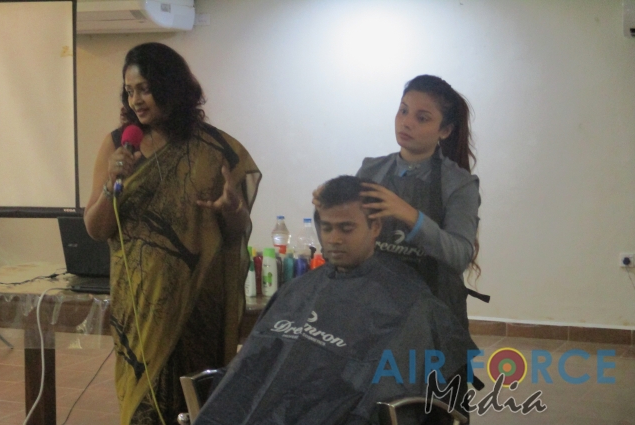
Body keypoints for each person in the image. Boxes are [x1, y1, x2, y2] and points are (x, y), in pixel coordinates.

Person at [193, 175, 476, 425]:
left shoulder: (411, 303)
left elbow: (388, 393)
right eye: (327, 228)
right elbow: (250, 369)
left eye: (346, 228)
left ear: (375, 227)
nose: (334, 239)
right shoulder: (298, 290)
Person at [83, 42, 261, 425]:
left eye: (145, 89)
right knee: (143, 409)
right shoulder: (117, 145)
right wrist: (112, 183)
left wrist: (232, 209)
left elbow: (237, 231)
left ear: (172, 87)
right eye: (129, 91)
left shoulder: (215, 150)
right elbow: (96, 229)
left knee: (194, 406)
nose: (136, 100)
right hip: (140, 306)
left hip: (198, 304)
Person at [317, 75, 483, 330]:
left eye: (422, 118)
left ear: (445, 131)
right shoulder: (371, 171)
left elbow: (460, 256)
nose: (406, 122)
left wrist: (411, 216)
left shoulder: (459, 184)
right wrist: (326, 210)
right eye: (403, 111)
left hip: (431, 319)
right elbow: (350, 239)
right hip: (371, 312)